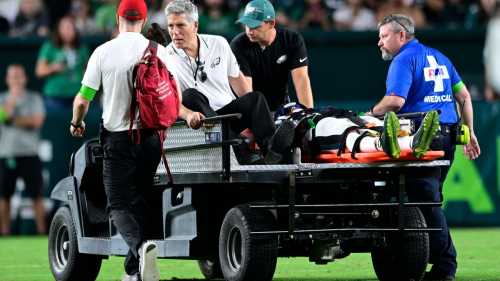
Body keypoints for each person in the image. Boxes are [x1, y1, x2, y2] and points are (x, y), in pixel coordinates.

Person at [69, 1, 204, 280]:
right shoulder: (159, 51)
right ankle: (135, 271)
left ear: (119, 19)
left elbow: (83, 99)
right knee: (139, 200)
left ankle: (141, 247)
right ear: (142, 22)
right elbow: (174, 98)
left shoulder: (103, 52)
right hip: (152, 140)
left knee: (117, 205)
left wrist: (76, 122)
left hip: (119, 141)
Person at [366, 14, 481, 280]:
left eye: (384, 36)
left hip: (421, 139)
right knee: (426, 202)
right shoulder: (440, 57)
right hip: (448, 136)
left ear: (401, 35)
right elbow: (463, 95)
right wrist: (470, 131)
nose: (380, 43)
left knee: (425, 202)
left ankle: (444, 267)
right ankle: (417, 261)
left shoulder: (403, 59)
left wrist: (371, 112)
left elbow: (395, 102)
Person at [159, 0, 296, 165]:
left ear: (195, 25)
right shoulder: (164, 57)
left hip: (228, 116)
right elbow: (170, 102)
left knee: (255, 98)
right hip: (201, 122)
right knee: (190, 95)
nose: (174, 32)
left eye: (180, 25)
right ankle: (240, 148)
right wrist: (189, 115)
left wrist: (257, 116)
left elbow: (239, 82)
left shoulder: (219, 43)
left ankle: (271, 149)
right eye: (170, 26)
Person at [230, 0, 314, 112]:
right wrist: (259, 119)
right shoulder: (238, 45)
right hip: (249, 111)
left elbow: (301, 80)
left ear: (271, 23)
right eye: (247, 26)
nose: (249, 32)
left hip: (280, 107)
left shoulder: (292, 39)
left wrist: (307, 113)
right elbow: (247, 93)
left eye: (255, 26)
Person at [0, 64, 46, 236]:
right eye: (13, 76)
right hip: (7, 153)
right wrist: (12, 98)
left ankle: (43, 233)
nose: (16, 80)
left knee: (36, 194)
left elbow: (36, 122)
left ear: (25, 78)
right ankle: (4, 234)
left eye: (19, 76)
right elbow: (2, 117)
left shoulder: (35, 98)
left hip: (30, 153)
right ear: (7, 79)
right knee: (5, 196)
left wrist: (13, 120)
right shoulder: (2, 99)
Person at [35, 16, 90, 108]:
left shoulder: (82, 48)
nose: (67, 32)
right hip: (55, 95)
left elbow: (88, 71)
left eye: (70, 28)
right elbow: (39, 71)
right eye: (64, 28)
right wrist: (53, 68)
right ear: (58, 30)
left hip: (78, 94)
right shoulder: (49, 47)